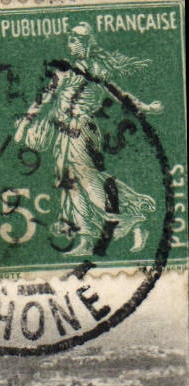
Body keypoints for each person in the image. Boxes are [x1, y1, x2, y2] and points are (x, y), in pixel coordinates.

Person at [13, 22, 165, 256]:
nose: (72, 46)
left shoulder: (98, 71)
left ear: (88, 44)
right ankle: (85, 238)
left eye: (78, 41)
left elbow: (120, 95)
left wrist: (146, 107)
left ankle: (132, 220)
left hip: (82, 131)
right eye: (71, 41)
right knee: (68, 184)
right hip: (61, 134)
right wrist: (24, 122)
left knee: (87, 180)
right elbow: (44, 98)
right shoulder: (63, 71)